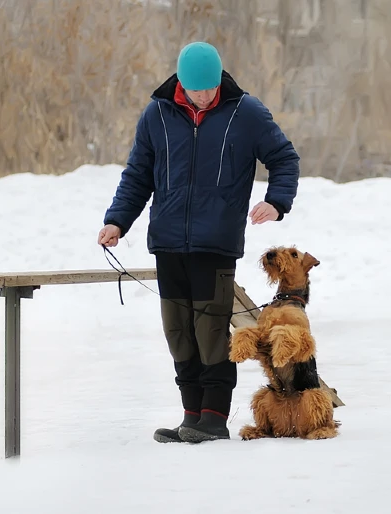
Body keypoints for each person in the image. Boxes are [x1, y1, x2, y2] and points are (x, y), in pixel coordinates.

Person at [97, 41, 300, 443]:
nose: (205, 95)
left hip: (216, 241)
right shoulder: (157, 113)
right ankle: (191, 415)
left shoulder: (246, 112)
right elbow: (138, 173)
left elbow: (284, 157)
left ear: (220, 79)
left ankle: (213, 417)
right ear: (181, 84)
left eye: (210, 88)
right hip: (169, 241)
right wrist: (118, 221)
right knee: (178, 332)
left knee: (210, 332)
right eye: (196, 89)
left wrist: (276, 202)